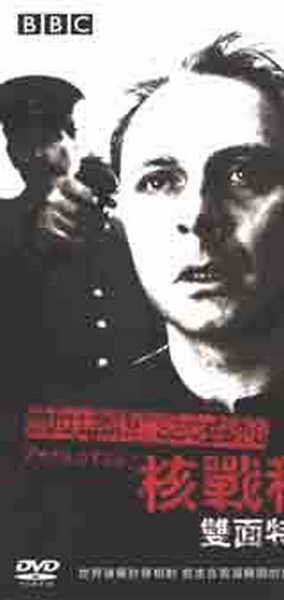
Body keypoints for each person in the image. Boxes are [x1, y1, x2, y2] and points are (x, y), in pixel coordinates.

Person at [8, 36, 284, 600]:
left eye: (244, 175)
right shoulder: (48, 473)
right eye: (159, 180)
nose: (199, 217)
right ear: (123, 217)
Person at [0, 75, 164, 402]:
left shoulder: (118, 230)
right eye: (23, 143)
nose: (36, 154)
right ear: (15, 152)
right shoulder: (8, 224)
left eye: (52, 138)